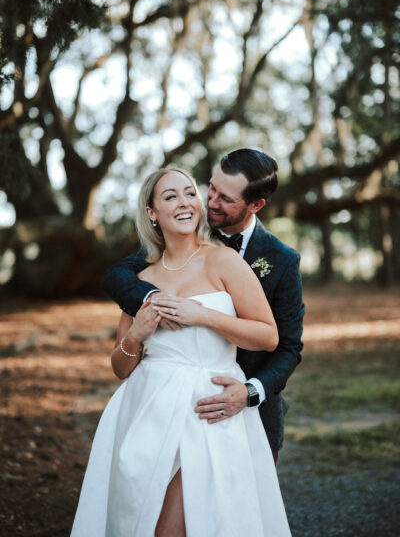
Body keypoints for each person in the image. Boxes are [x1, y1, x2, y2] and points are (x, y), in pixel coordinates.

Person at [71, 168, 291, 537]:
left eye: (190, 193)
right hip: (147, 413)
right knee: (137, 519)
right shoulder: (140, 281)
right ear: (152, 212)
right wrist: (138, 333)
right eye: (170, 196)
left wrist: (203, 315)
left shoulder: (223, 261)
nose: (185, 202)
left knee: (181, 524)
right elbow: (120, 366)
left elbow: (268, 336)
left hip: (207, 409)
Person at [102, 149, 305, 463]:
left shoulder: (280, 260)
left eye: (225, 198)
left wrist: (250, 392)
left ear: (255, 205)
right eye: (210, 189)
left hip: (241, 408)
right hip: (158, 406)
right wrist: (150, 301)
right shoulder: (178, 234)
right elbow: (116, 274)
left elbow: (287, 345)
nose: (211, 202)